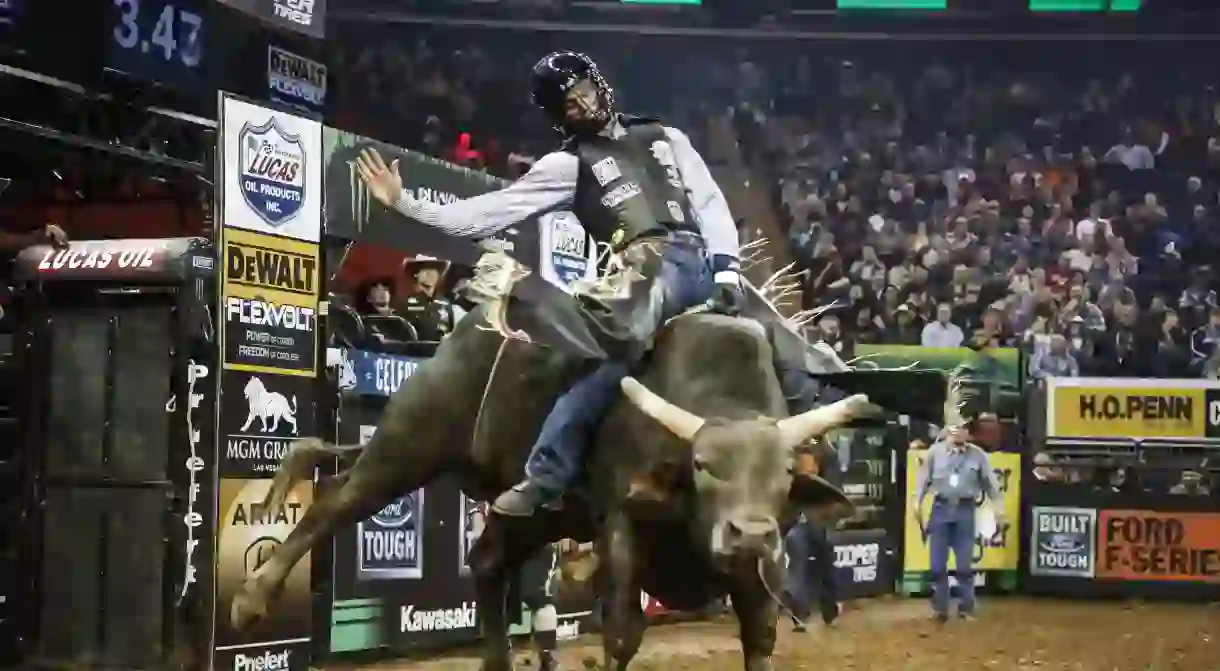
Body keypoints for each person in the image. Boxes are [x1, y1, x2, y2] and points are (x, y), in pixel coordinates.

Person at [356, 51, 787, 516]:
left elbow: (709, 202)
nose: (580, 103)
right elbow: (485, 212)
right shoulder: (566, 166)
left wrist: (726, 268)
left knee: (784, 342)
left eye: (582, 91)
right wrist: (406, 203)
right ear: (558, 116)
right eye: (568, 102)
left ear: (598, 84)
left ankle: (824, 420)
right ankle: (547, 474)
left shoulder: (668, 137)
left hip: (699, 262)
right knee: (610, 358)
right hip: (641, 269)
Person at [911, 422, 1002, 622]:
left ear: (969, 433)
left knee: (964, 565)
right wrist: (916, 502)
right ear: (948, 431)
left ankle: (966, 608)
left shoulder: (978, 456)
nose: (959, 432)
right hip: (941, 508)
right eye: (955, 428)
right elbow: (923, 481)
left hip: (965, 510)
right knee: (936, 565)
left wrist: (998, 510)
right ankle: (940, 608)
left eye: (964, 429)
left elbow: (991, 485)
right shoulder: (935, 453)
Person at [784, 438, 842, 631]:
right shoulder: (790, 450)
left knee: (826, 567)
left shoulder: (827, 452)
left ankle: (830, 611)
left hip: (821, 518)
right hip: (799, 518)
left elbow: (833, 488)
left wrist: (828, 517)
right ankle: (800, 615)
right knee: (798, 566)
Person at [400, 254, 460, 341]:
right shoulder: (404, 305)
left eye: (434, 268)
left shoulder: (447, 307)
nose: (429, 272)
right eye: (424, 268)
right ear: (416, 274)